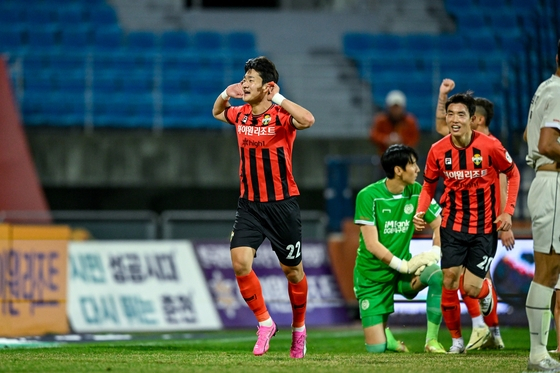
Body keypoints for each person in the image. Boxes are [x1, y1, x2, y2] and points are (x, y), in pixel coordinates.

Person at [212, 56, 315, 359]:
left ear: (267, 87)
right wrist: (224, 94)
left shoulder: (281, 116)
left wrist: (278, 97)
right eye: (244, 78)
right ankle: (265, 323)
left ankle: (299, 330)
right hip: (250, 206)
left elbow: (308, 120)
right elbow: (217, 112)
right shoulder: (241, 114)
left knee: (292, 272)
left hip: (282, 205)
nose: (245, 83)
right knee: (240, 263)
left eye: (251, 80)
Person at [414, 91, 520, 354]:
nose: (454, 119)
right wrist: (420, 211)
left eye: (460, 114)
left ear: (473, 119)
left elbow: (513, 173)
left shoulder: (490, 146)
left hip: (484, 228)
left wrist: (507, 212)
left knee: (472, 289)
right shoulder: (437, 150)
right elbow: (428, 185)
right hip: (452, 225)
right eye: (450, 114)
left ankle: (486, 293)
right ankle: (457, 342)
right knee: (450, 280)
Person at [353, 144, 445, 354]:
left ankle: (431, 341)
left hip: (403, 273)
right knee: (377, 350)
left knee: (437, 275)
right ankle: (386, 335)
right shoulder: (368, 196)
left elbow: (439, 223)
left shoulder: (416, 191)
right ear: (398, 170)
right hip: (372, 278)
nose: (418, 169)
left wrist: (435, 251)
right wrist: (402, 265)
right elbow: (371, 244)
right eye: (413, 164)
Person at [523, 39, 560, 372]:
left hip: (549, 182)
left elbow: (528, 135)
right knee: (547, 271)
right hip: (554, 184)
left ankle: (543, 351)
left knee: (554, 272)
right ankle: (537, 354)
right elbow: (547, 143)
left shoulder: (545, 87)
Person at [369, 90, 420, 155]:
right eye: (393, 107)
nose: (395, 110)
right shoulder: (381, 120)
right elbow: (373, 135)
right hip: (384, 156)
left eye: (397, 107)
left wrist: (401, 141)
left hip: (405, 157)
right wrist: (385, 140)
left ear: (403, 107)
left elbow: (414, 138)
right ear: (388, 107)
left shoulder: (410, 121)